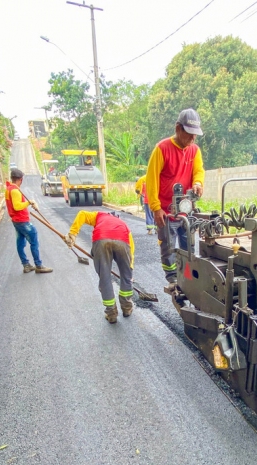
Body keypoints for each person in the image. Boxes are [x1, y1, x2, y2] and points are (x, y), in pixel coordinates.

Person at [145, 108, 205, 287]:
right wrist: (156, 208)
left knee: (189, 248)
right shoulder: (162, 149)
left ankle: (187, 279)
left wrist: (198, 183)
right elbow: (152, 179)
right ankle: (172, 279)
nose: (193, 138)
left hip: (186, 209)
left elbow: (198, 171)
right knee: (168, 248)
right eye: (189, 134)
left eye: (196, 135)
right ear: (178, 128)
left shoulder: (194, 150)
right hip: (165, 211)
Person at [65, 211, 134, 324]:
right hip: (122, 241)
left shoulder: (99, 215)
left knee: (105, 277)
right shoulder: (123, 224)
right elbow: (131, 250)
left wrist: (73, 233)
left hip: (101, 239)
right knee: (126, 276)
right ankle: (127, 308)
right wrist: (129, 269)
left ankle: (111, 314)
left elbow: (82, 214)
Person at [5, 169, 53, 274]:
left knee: (20, 243)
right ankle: (38, 265)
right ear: (21, 179)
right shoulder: (15, 191)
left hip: (16, 221)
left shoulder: (9, 188)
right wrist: (29, 202)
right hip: (22, 221)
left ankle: (26, 265)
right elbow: (17, 206)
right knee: (34, 241)